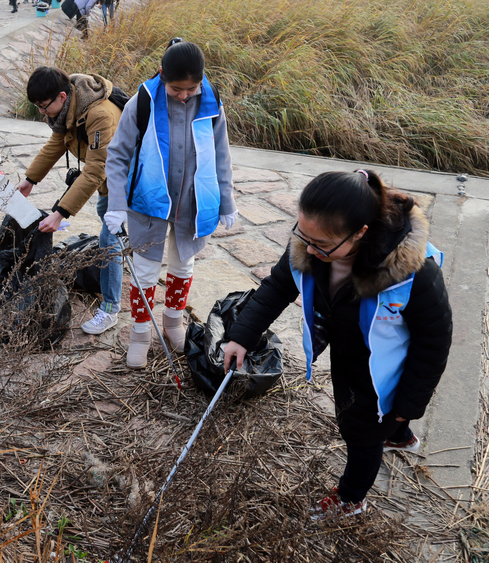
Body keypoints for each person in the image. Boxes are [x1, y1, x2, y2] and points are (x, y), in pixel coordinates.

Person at [223, 170, 453, 521]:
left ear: (361, 232)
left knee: (361, 431)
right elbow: (277, 287)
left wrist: (411, 403)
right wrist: (242, 335)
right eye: (303, 236)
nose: (309, 249)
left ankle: (351, 497)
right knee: (373, 414)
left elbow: (434, 343)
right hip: (346, 344)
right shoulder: (311, 246)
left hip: (386, 362)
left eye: (321, 245)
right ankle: (399, 434)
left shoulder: (413, 274)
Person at [104, 39, 237, 368]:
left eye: (191, 89)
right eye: (178, 89)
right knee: (146, 270)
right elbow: (118, 154)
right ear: (163, 75)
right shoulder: (144, 101)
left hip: (193, 203)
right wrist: (116, 203)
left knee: (183, 265)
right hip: (149, 203)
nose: (185, 95)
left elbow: (221, 153)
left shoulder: (210, 100)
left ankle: (174, 323)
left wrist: (227, 200)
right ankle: (139, 334)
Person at [16, 66, 123, 335]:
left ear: (62, 96)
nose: (42, 112)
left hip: (129, 179)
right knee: (106, 220)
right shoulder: (69, 108)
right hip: (111, 182)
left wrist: (61, 213)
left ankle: (110, 308)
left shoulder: (99, 115)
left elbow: (97, 169)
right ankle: (127, 241)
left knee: (109, 242)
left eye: (43, 106)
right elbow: (56, 143)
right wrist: (30, 179)